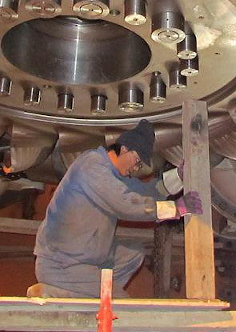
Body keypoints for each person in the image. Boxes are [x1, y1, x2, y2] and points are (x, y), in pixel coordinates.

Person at [32, 119, 203, 298]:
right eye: (136, 161)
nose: (135, 168)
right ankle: (97, 295)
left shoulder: (112, 174)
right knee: (122, 305)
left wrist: (178, 177)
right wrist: (175, 209)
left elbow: (144, 192)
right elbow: (126, 204)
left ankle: (92, 292)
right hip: (61, 265)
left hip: (83, 260)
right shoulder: (92, 166)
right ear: (124, 149)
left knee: (132, 254)